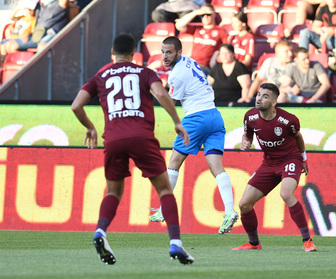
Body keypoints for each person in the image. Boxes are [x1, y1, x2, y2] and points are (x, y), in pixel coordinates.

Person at [71, 34, 194, 265]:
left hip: (113, 139)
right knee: (165, 190)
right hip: (142, 137)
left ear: (112, 53)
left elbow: (76, 105)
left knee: (113, 193)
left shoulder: (100, 76)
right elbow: (159, 93)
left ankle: (100, 231)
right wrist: (177, 121)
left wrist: (90, 127)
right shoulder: (145, 73)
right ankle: (175, 243)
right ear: (135, 53)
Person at [149, 36, 239, 235]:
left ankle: (164, 209)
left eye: (169, 52)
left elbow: (169, 102)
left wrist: (154, 92)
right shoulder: (189, 61)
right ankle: (229, 209)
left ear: (179, 52)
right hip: (215, 117)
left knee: (174, 162)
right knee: (216, 167)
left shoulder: (176, 76)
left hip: (196, 119)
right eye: (163, 52)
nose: (165, 56)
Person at [232, 82, 316, 252]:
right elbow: (247, 135)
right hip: (269, 163)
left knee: (286, 193)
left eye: (265, 96)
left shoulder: (288, 120)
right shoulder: (250, 117)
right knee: (244, 204)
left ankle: (307, 241)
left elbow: (298, 138)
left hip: (290, 160)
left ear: (274, 102)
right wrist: (245, 142)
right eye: (258, 95)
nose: (259, 99)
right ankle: (254, 243)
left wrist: (304, 159)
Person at [1, 0, 69, 56]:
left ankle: (41, 71)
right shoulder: (38, 5)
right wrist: (14, 25)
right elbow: (27, 20)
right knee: (9, 45)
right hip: (36, 35)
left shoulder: (59, 4)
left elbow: (64, 2)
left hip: (50, 34)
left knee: (42, 47)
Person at [175, 3, 228, 75]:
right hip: (191, 64)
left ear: (214, 14)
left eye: (208, 14)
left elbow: (227, 47)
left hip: (206, 67)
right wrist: (195, 12)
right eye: (203, 15)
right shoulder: (197, 29)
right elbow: (179, 25)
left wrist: (216, 54)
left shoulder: (220, 31)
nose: (205, 17)